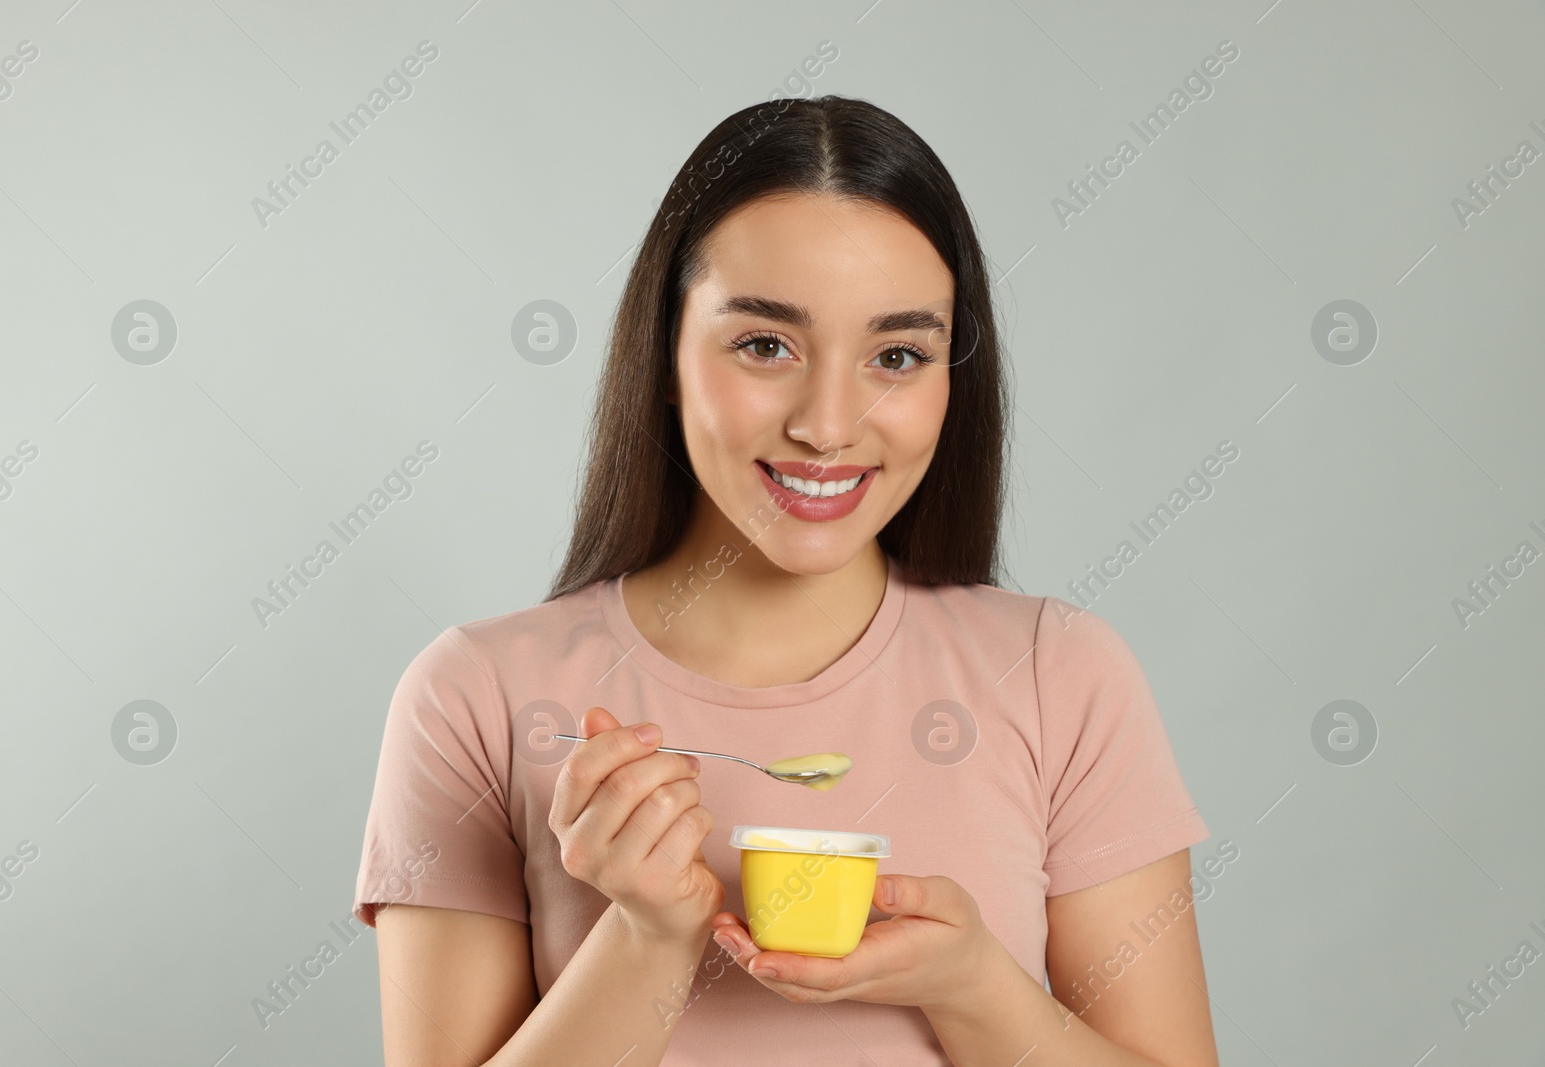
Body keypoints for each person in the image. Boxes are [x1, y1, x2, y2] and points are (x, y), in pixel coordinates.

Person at [353, 94, 1219, 1066]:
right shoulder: (475, 694)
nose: (829, 422)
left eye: (897, 354)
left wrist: (972, 985)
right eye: (766, 344)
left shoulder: (1061, 674)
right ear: (666, 357)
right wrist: (644, 937)